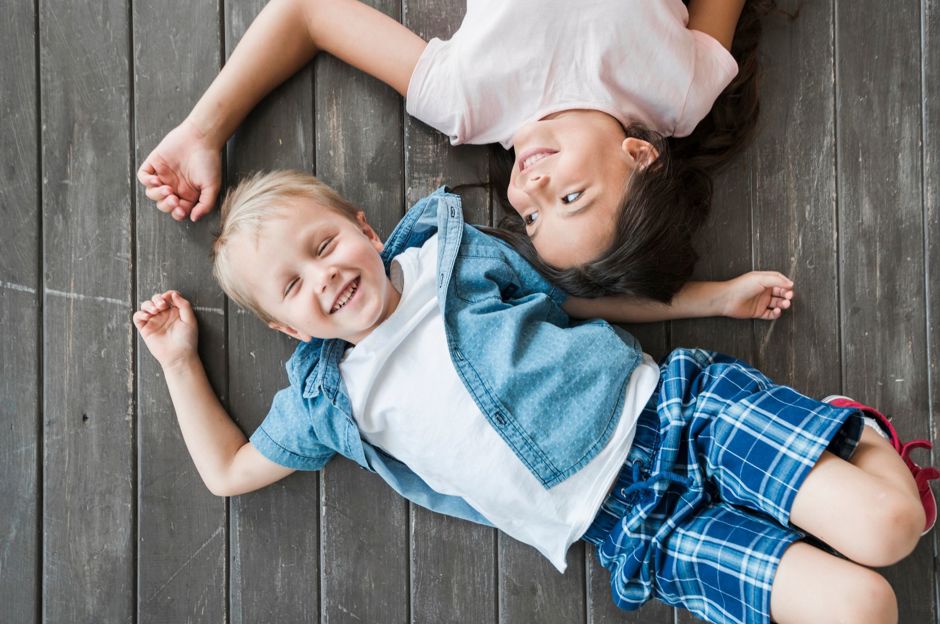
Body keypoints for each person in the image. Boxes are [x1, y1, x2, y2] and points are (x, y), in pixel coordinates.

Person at [134, 172, 937, 624]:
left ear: (366, 227)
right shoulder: (329, 398)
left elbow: (578, 297)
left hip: (676, 415)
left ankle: (852, 433)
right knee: (864, 609)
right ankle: (817, 475)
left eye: (325, 244)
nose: (327, 276)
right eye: (295, 286)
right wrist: (178, 362)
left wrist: (710, 299)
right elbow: (228, 470)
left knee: (893, 525)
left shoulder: (457, 257)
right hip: (630, 527)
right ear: (284, 327)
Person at [137, 0, 775, 301]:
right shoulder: (679, 97)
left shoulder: (467, 102)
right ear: (640, 156)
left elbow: (309, 13)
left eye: (531, 217)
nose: (533, 189)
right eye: (572, 199)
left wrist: (203, 131)